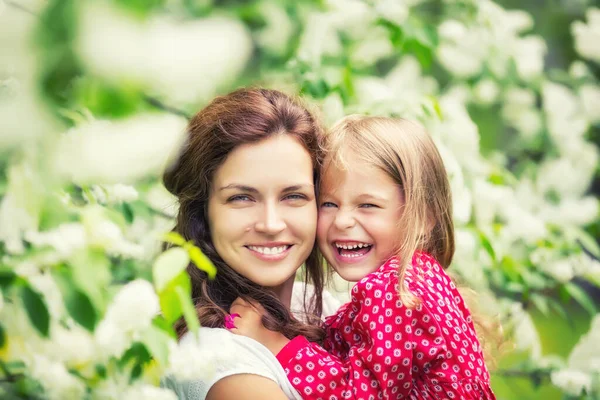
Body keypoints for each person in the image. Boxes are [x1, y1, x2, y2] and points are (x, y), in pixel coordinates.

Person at [231, 116, 497, 399]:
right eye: (329, 204)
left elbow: (359, 395)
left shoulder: (395, 293)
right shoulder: (423, 278)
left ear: (424, 217)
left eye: (368, 205)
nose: (343, 221)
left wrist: (274, 344)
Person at [160, 88, 340, 399]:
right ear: (203, 212)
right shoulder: (219, 360)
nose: (270, 224)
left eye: (293, 196)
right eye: (241, 198)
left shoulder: (316, 304)